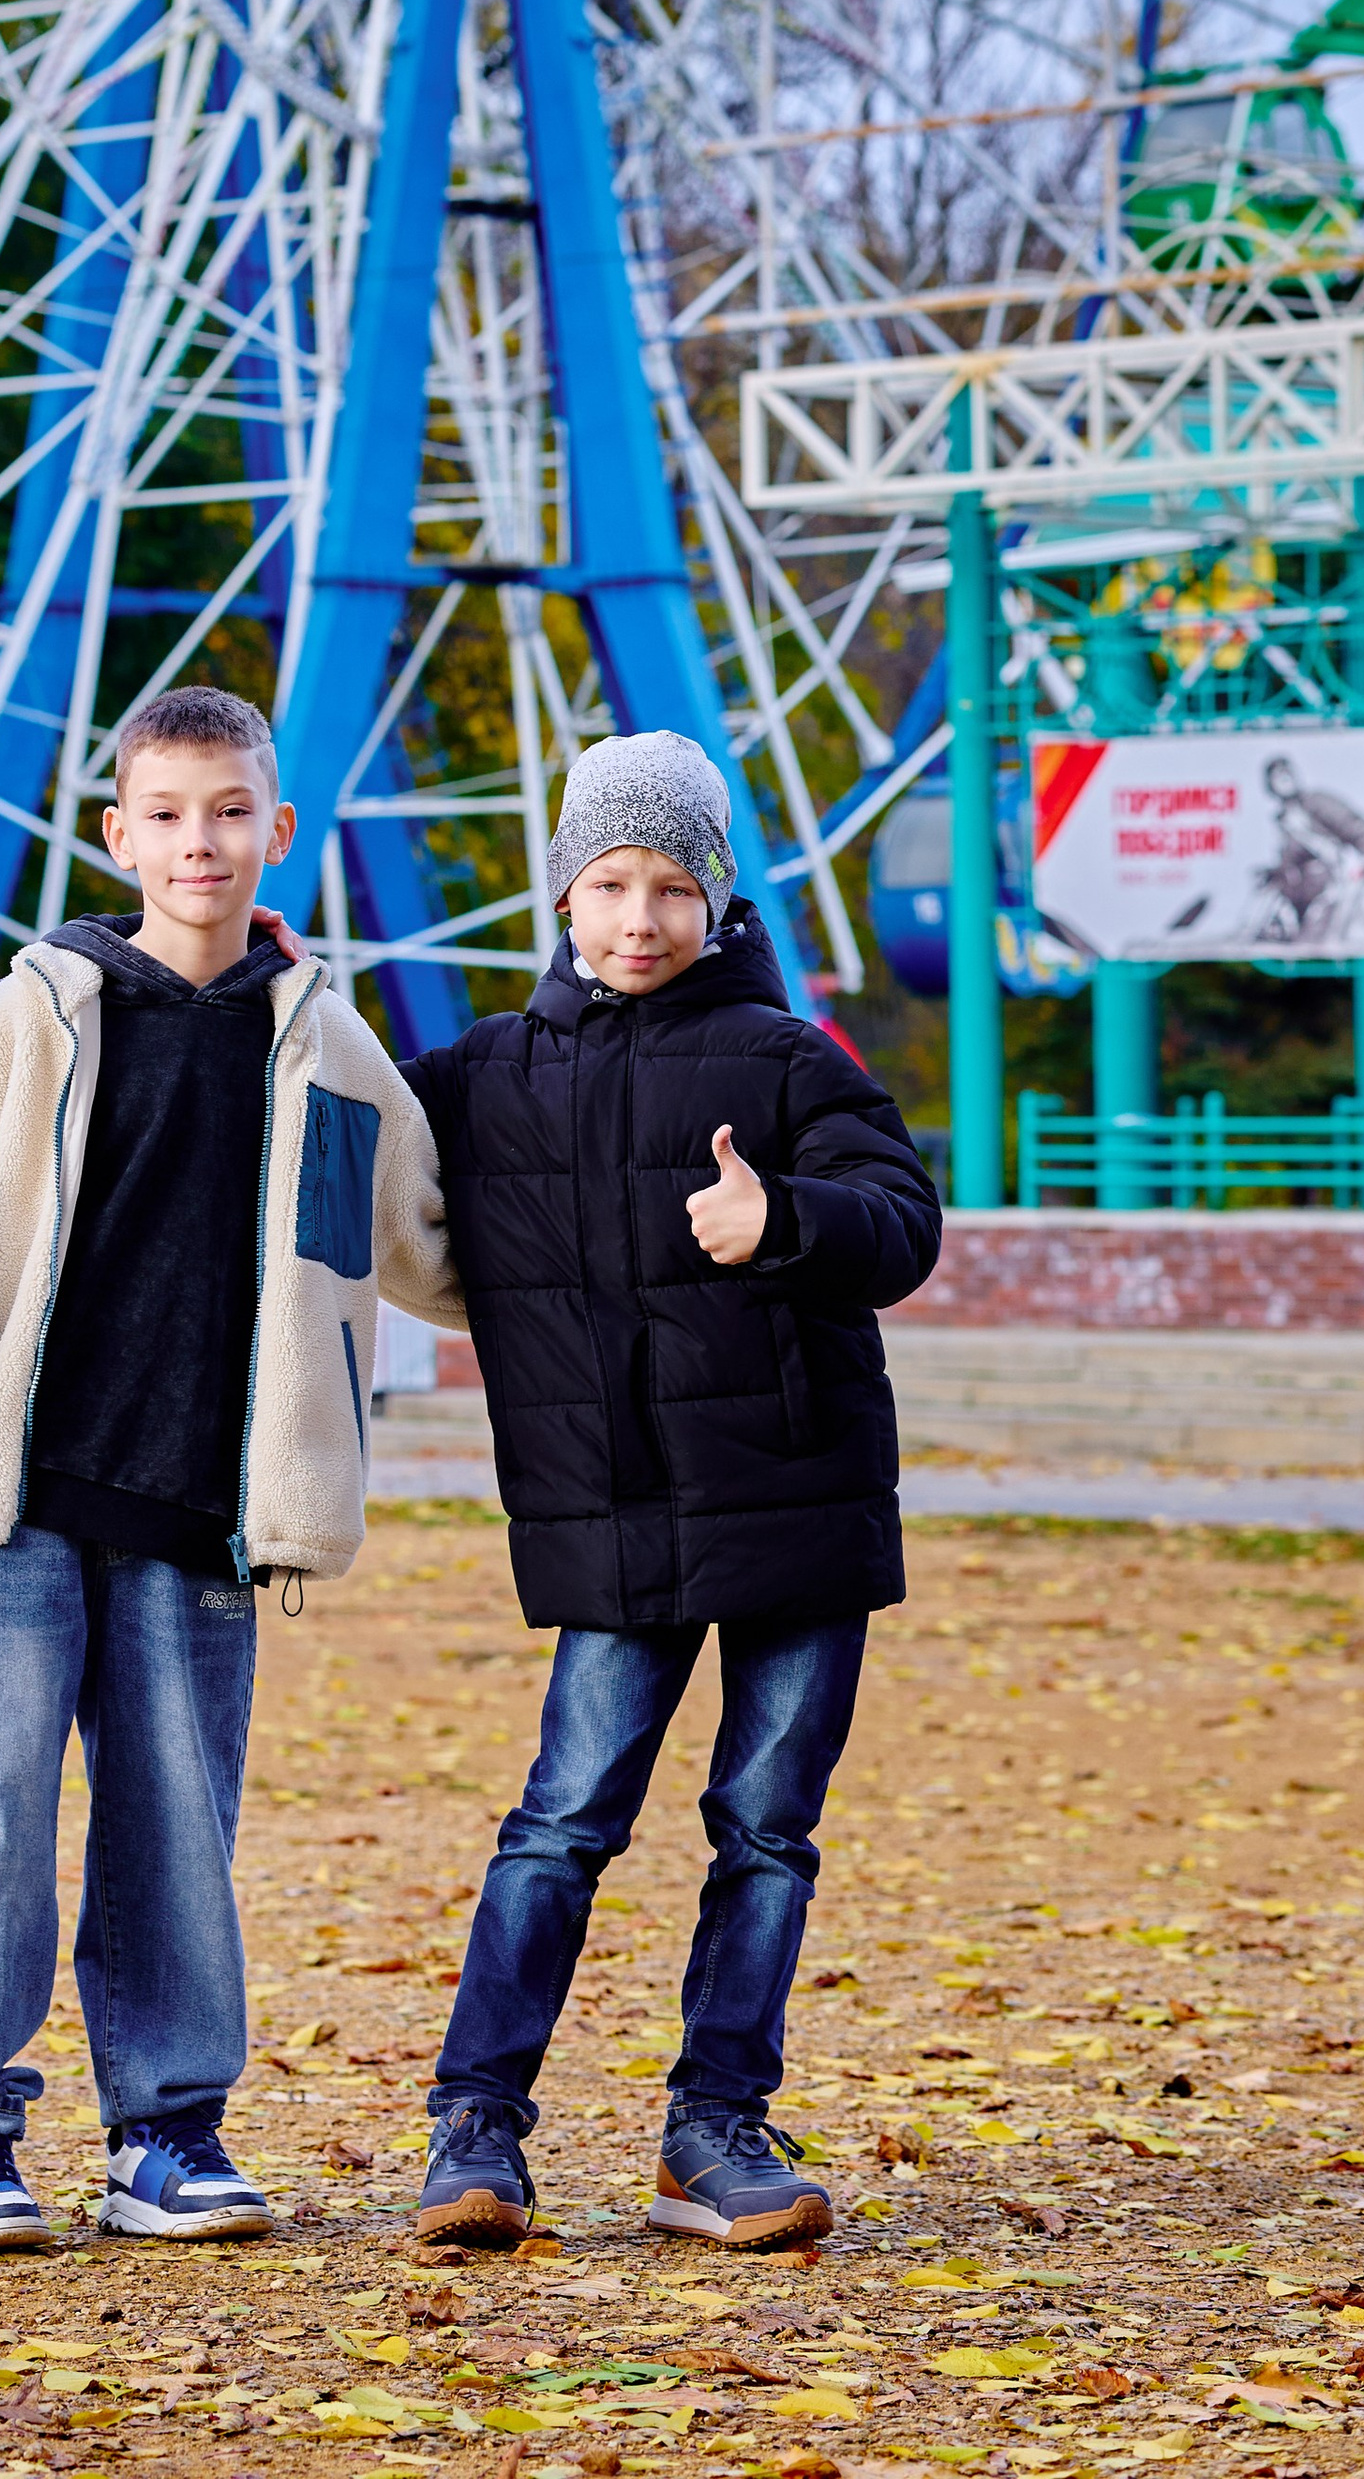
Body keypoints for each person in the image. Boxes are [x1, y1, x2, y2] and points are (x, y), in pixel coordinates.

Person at [0, 684, 459, 2255]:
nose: (197, 842)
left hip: (210, 1508)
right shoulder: (35, 1015)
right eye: (165, 813)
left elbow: (417, 1245)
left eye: (228, 813)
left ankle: (167, 2131)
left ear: (279, 832)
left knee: (175, 1825)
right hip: (20, 1493)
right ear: (117, 832)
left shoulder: (333, 1052)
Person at [401, 731, 939, 2255]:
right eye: (609, 885)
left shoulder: (787, 1060)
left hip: (798, 1505)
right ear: (562, 895)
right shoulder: (486, 1077)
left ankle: (716, 2128)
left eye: (671, 887)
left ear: (717, 897)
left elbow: (903, 1223)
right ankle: (476, 2128)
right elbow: (343, 1119)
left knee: (765, 1829)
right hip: (614, 1513)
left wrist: (787, 1219)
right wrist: (285, 981)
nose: (639, 919)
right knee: (560, 1826)